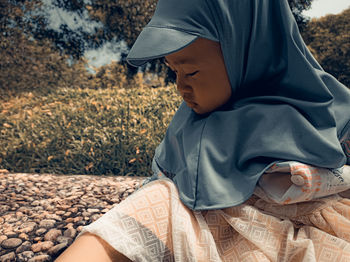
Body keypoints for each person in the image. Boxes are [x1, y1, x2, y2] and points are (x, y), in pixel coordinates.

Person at [56, 0, 350, 261]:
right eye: (174, 71)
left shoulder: (326, 109)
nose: (180, 86)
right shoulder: (189, 128)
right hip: (202, 232)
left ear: (248, 47)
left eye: (191, 71)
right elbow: (156, 192)